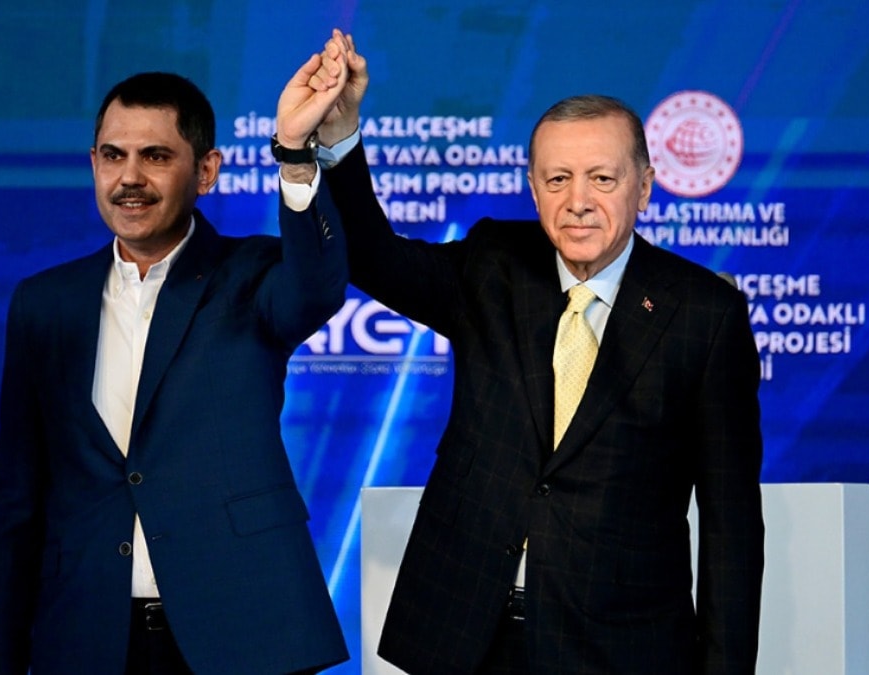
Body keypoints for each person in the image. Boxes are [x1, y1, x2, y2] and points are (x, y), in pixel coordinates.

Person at [283, 30, 765, 674]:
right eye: (558, 179)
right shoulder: (494, 264)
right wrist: (339, 138)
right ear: (534, 189)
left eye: (603, 178)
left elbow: (732, 523)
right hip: (466, 635)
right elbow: (373, 258)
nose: (579, 202)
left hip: (619, 649)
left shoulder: (705, 314)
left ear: (645, 187)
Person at [0, 64, 354, 675]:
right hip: (87, 638)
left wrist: (294, 154)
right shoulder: (45, 304)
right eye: (113, 156)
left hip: (241, 633)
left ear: (206, 171)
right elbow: (16, 501)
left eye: (154, 156)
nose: (129, 177)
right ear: (93, 164)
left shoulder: (253, 274)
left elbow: (315, 287)